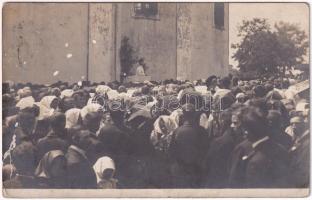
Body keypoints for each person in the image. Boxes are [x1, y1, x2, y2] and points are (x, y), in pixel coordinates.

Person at [169, 103, 208, 188]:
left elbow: (172, 152)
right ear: (194, 115)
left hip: (181, 169)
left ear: (183, 116)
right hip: (197, 169)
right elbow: (206, 150)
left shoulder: (177, 131)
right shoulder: (202, 131)